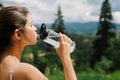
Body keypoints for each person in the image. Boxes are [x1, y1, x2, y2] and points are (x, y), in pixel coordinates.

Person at [0, 6, 77, 80]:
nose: (35, 28)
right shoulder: (25, 71)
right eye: (31, 25)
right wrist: (66, 57)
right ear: (18, 34)